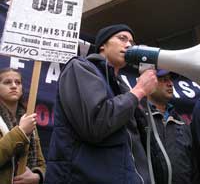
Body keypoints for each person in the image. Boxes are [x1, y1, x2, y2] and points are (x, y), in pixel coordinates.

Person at [45, 24, 158, 184]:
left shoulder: (121, 86)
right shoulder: (80, 68)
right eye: (122, 38)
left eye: (132, 43)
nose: (128, 45)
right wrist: (139, 91)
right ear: (103, 45)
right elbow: (96, 123)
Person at [140, 69, 195, 184]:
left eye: (170, 79)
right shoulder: (138, 119)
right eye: (163, 80)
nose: (170, 83)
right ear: (148, 82)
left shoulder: (183, 123)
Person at [0, 67, 46, 184]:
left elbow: (41, 164)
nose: (14, 86)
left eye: (18, 82)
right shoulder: (26, 125)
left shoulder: (28, 119)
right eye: (7, 82)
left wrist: (37, 177)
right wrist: (21, 132)